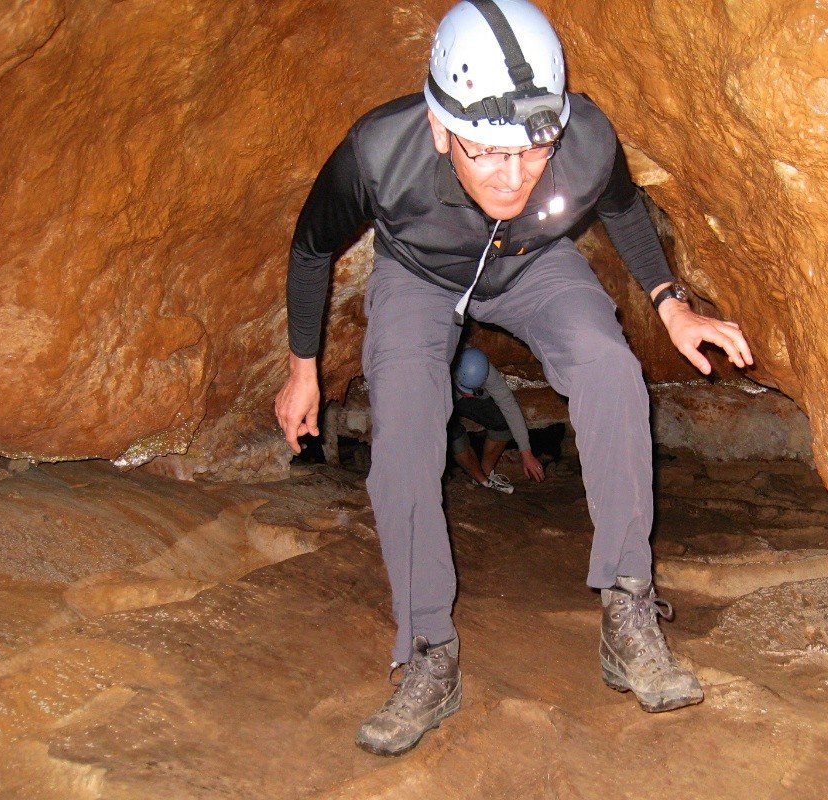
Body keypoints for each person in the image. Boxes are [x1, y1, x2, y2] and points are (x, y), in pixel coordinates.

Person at [274, 0, 753, 757]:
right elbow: (310, 250)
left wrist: (672, 306)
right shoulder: (377, 154)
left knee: (609, 368)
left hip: (532, 264)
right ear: (441, 129)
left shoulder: (585, 138)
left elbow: (625, 209)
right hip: (418, 274)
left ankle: (628, 613)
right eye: (488, 154)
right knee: (404, 427)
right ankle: (428, 653)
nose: (513, 178)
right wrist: (303, 369)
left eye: (533, 153)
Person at [449, 346, 545, 494]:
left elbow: (509, 405)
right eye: (467, 391)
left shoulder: (482, 368)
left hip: (461, 393)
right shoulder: (438, 370)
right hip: (439, 395)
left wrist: (526, 453)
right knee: (454, 435)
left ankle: (487, 476)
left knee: (501, 423)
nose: (470, 395)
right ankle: (481, 480)